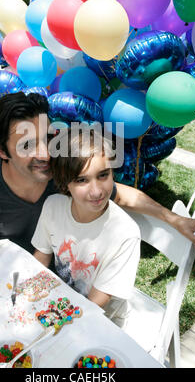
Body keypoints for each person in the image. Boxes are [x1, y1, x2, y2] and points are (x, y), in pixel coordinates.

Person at [0, 92, 195, 258]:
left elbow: (118, 193)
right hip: (3, 280)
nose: (45, 154)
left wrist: (174, 220)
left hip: (60, 286)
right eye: (27, 145)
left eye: (47, 137)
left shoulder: (63, 166)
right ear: (1, 151)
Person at [32, 127, 140, 323]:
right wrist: (29, 298)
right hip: (61, 303)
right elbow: (41, 258)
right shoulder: (53, 206)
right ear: (65, 184)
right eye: (82, 180)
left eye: (103, 175)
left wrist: (53, 321)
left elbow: (97, 303)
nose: (96, 191)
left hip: (103, 320)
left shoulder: (126, 234)